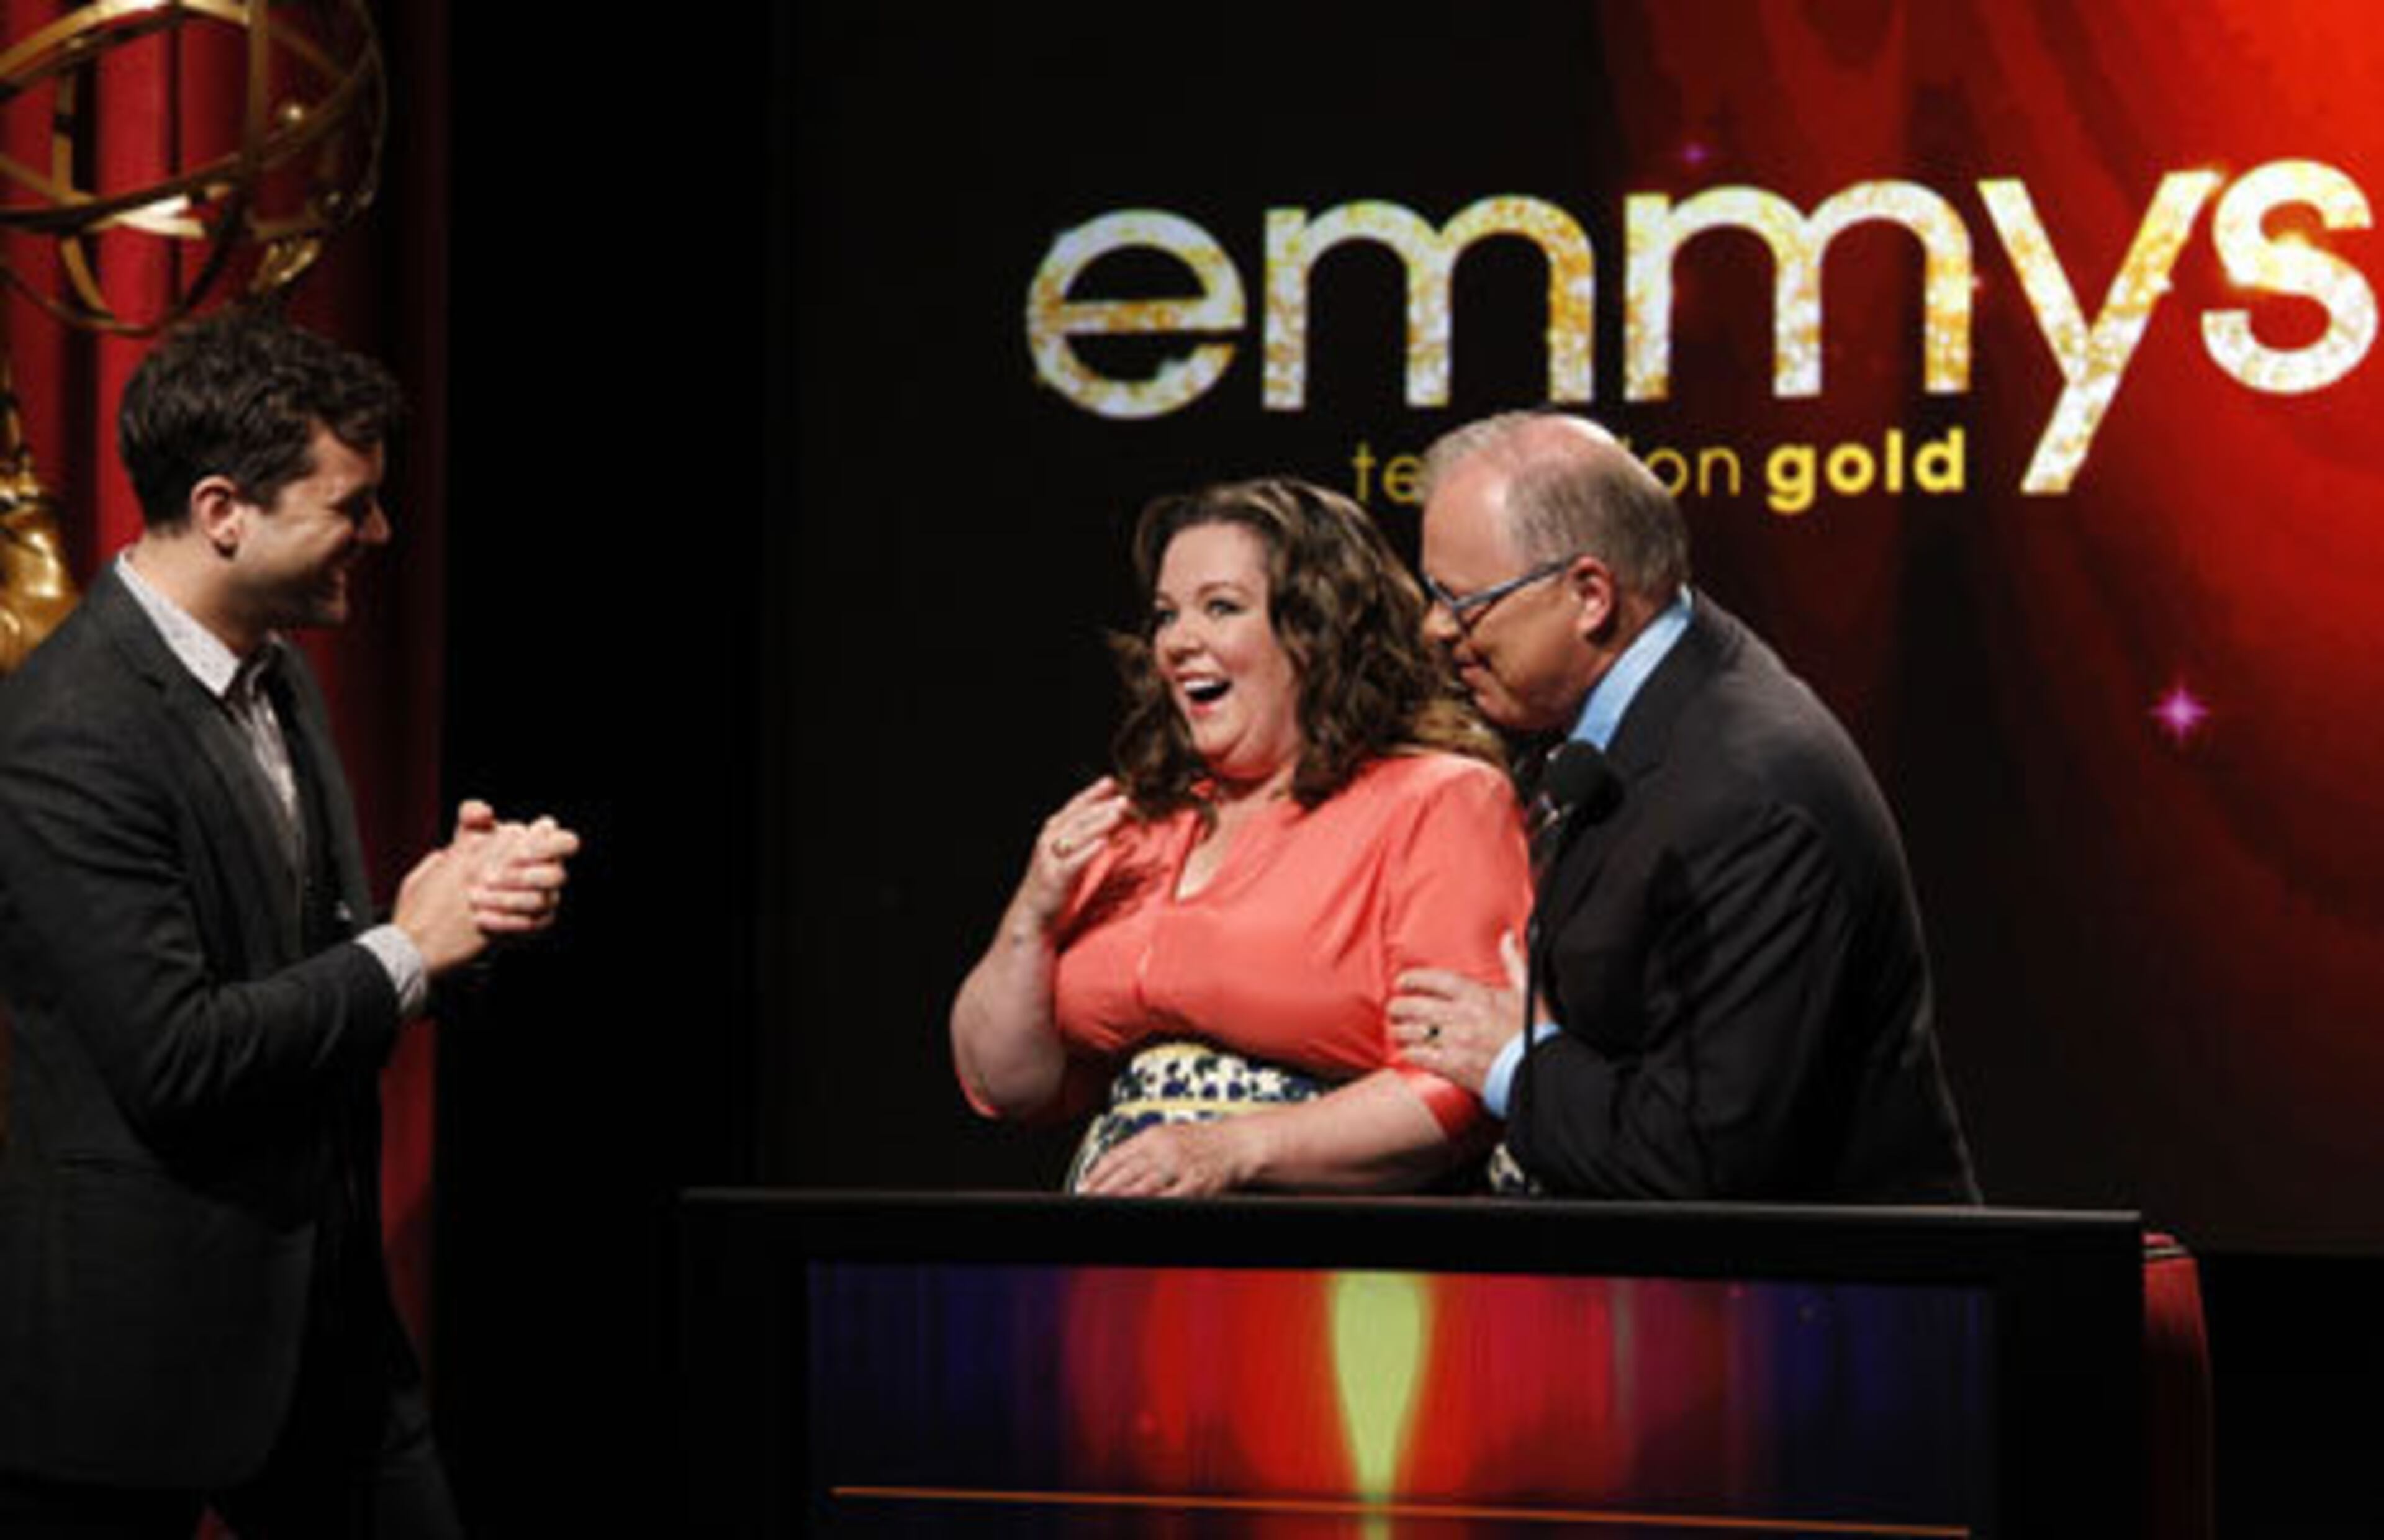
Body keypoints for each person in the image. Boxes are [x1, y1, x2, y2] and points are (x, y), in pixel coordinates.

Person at [0, 306, 580, 1538]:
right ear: (224, 511)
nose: (379, 531)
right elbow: (177, 1055)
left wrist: (463, 911)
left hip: (326, 1323)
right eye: (349, 504)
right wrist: (407, 947)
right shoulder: (66, 731)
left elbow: (313, 962)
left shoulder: (276, 667)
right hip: (134, 1353)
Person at [1388, 411, 1977, 1203]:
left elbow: (1700, 1160)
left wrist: (1515, 1066)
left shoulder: (1748, 797)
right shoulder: (1612, 710)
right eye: (1434, 595)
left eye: (1465, 601)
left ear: (1589, 595)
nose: (1435, 628)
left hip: (1815, 1277)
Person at [951, 477, 1531, 1197]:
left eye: (1220, 607)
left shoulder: (1437, 800)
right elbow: (1007, 1085)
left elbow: (1463, 1082)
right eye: (1166, 615)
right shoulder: (1139, 823)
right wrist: (1032, 918)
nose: (1178, 642)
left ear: (1318, 631)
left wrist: (1235, 1148)